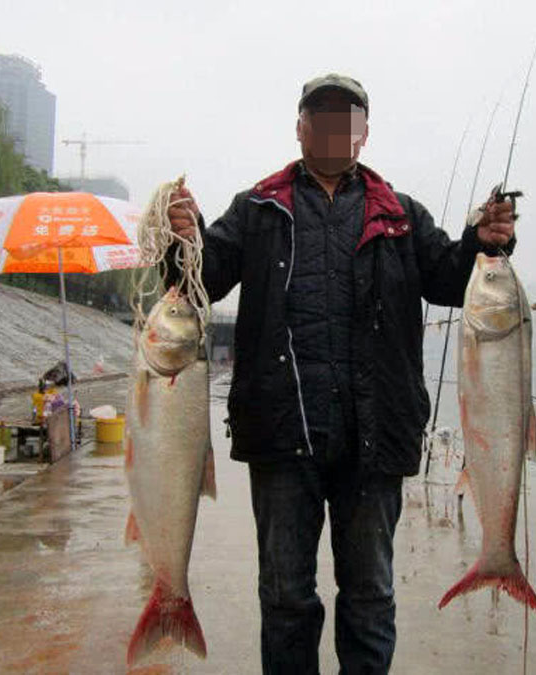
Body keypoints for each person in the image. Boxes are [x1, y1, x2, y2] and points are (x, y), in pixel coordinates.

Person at [166, 73, 517, 674]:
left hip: (374, 440)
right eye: (320, 117)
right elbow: (202, 279)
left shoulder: (402, 216)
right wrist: (185, 240)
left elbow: (450, 281)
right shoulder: (257, 209)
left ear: (363, 134)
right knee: (284, 597)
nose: (333, 129)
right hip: (282, 437)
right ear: (299, 127)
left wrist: (479, 243)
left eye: (346, 120)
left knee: (370, 596)